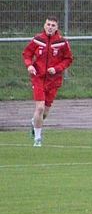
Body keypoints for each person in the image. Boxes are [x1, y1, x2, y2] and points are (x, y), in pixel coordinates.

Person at [22, 16, 73, 147]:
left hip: (53, 81)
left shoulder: (62, 42)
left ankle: (34, 122)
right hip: (38, 78)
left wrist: (56, 69)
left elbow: (68, 59)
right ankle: (37, 138)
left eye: (53, 25)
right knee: (39, 108)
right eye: (48, 24)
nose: (50, 27)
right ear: (44, 26)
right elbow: (27, 54)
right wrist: (29, 65)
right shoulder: (37, 39)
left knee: (44, 113)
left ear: (57, 28)